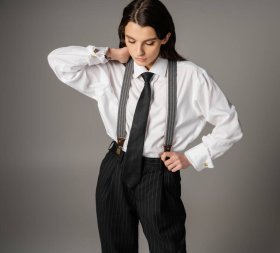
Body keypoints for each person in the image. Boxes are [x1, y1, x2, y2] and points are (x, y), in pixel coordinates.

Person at [47, 0, 242, 252]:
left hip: (158, 174)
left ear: (165, 37)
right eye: (130, 40)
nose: (138, 51)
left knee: (167, 247)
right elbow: (57, 60)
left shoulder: (190, 76)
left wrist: (193, 157)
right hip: (115, 168)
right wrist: (108, 53)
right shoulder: (111, 71)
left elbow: (230, 125)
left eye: (148, 42)